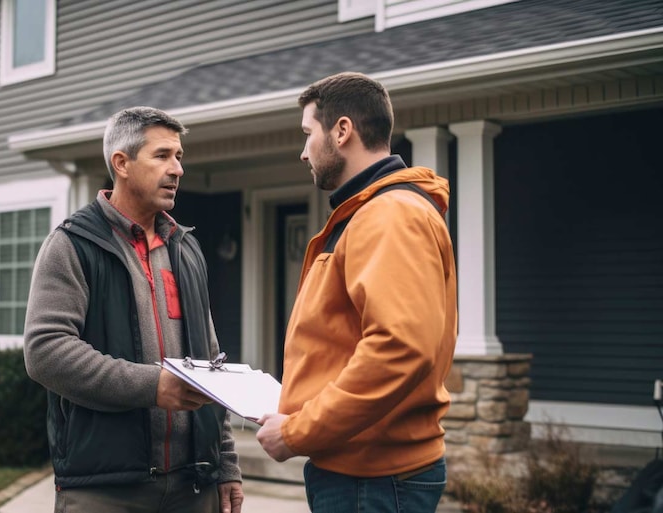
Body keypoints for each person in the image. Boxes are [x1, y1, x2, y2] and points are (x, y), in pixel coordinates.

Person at [24, 106, 244, 513]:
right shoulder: (72, 245)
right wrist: (153, 386)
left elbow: (212, 362)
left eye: (179, 156)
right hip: (105, 490)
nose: (177, 168)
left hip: (193, 486)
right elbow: (45, 352)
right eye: (162, 156)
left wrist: (226, 464)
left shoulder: (186, 247)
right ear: (121, 163)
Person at [256, 72, 458, 512]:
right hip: (364, 471)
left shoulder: (388, 216)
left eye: (308, 134)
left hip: (374, 479)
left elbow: (398, 348)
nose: (303, 150)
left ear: (342, 131)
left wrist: (296, 432)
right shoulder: (371, 213)